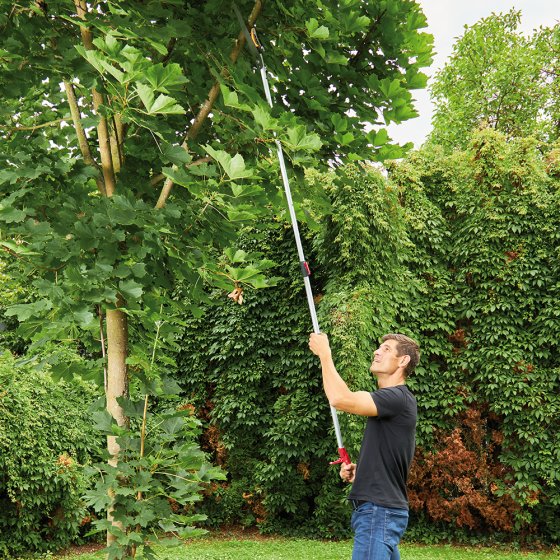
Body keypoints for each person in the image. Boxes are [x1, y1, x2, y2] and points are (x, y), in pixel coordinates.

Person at [309, 332, 420, 560]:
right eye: (379, 347)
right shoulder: (393, 402)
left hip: (379, 512)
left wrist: (325, 355)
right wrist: (363, 473)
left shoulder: (397, 397)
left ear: (403, 361)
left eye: (386, 349)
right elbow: (392, 455)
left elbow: (340, 398)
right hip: (382, 511)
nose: (377, 351)